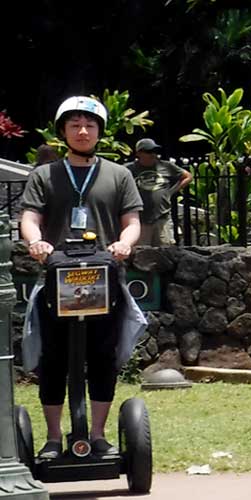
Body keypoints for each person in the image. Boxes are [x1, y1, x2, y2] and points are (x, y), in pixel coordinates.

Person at [19, 96, 147, 459]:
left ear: (99, 132)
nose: (83, 131)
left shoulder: (119, 175)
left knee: (103, 356)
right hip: (57, 279)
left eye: (89, 125)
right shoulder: (44, 175)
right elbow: (29, 218)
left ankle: (98, 435)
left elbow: (132, 222)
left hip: (105, 277)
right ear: (63, 131)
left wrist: (124, 244)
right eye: (74, 125)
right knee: (53, 358)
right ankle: (53, 438)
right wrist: (36, 242)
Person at [123, 138, 193, 246]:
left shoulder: (166, 166)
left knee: (165, 250)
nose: (153, 154)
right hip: (140, 219)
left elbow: (188, 176)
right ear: (139, 153)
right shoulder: (128, 169)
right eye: (148, 151)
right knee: (141, 251)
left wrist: (172, 191)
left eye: (154, 151)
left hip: (162, 218)